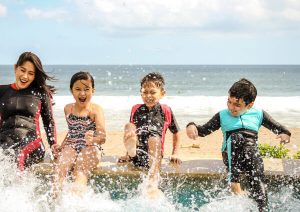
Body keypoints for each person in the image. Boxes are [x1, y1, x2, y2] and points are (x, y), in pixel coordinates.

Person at [186, 78, 291, 212]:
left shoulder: (258, 114)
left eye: (237, 105)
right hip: (231, 154)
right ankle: (234, 183)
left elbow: (279, 128)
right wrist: (191, 126)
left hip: (251, 155)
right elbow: (203, 130)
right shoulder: (222, 115)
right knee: (237, 137)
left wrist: (285, 134)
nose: (231, 107)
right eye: (229, 102)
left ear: (250, 105)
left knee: (258, 183)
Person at [119, 72, 181, 197]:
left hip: (154, 156)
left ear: (162, 93)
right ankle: (130, 153)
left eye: (152, 92)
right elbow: (132, 133)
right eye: (144, 92)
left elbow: (176, 132)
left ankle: (153, 182)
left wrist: (175, 153)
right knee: (129, 126)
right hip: (137, 154)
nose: (148, 96)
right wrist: (127, 155)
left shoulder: (165, 110)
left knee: (153, 138)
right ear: (140, 93)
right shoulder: (136, 109)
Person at [0, 52, 58, 171]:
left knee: (18, 156)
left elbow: (49, 122)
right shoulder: (2, 91)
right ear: (15, 68)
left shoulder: (41, 94)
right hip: (6, 140)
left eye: (30, 73)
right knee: (5, 156)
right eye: (22, 70)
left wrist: (53, 145)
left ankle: (18, 190)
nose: (25, 76)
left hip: (32, 142)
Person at [52, 71, 106, 198]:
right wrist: (62, 146)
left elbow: (103, 137)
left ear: (93, 90)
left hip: (91, 147)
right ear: (71, 90)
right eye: (78, 89)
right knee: (60, 169)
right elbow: (72, 131)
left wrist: (93, 139)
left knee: (79, 171)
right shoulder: (67, 108)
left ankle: (77, 203)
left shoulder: (95, 110)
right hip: (71, 145)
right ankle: (54, 202)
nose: (82, 93)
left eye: (86, 89)